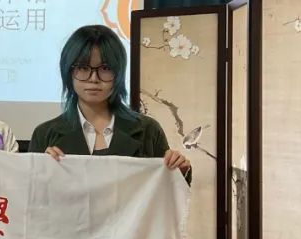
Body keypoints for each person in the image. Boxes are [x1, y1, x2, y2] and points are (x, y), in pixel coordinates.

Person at [29, 24, 191, 178]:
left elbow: (165, 190)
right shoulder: (45, 135)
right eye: (83, 68)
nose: (93, 78)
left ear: (118, 73)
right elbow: (33, 193)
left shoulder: (148, 131)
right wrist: (42, 172)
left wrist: (179, 170)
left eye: (105, 68)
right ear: (68, 72)